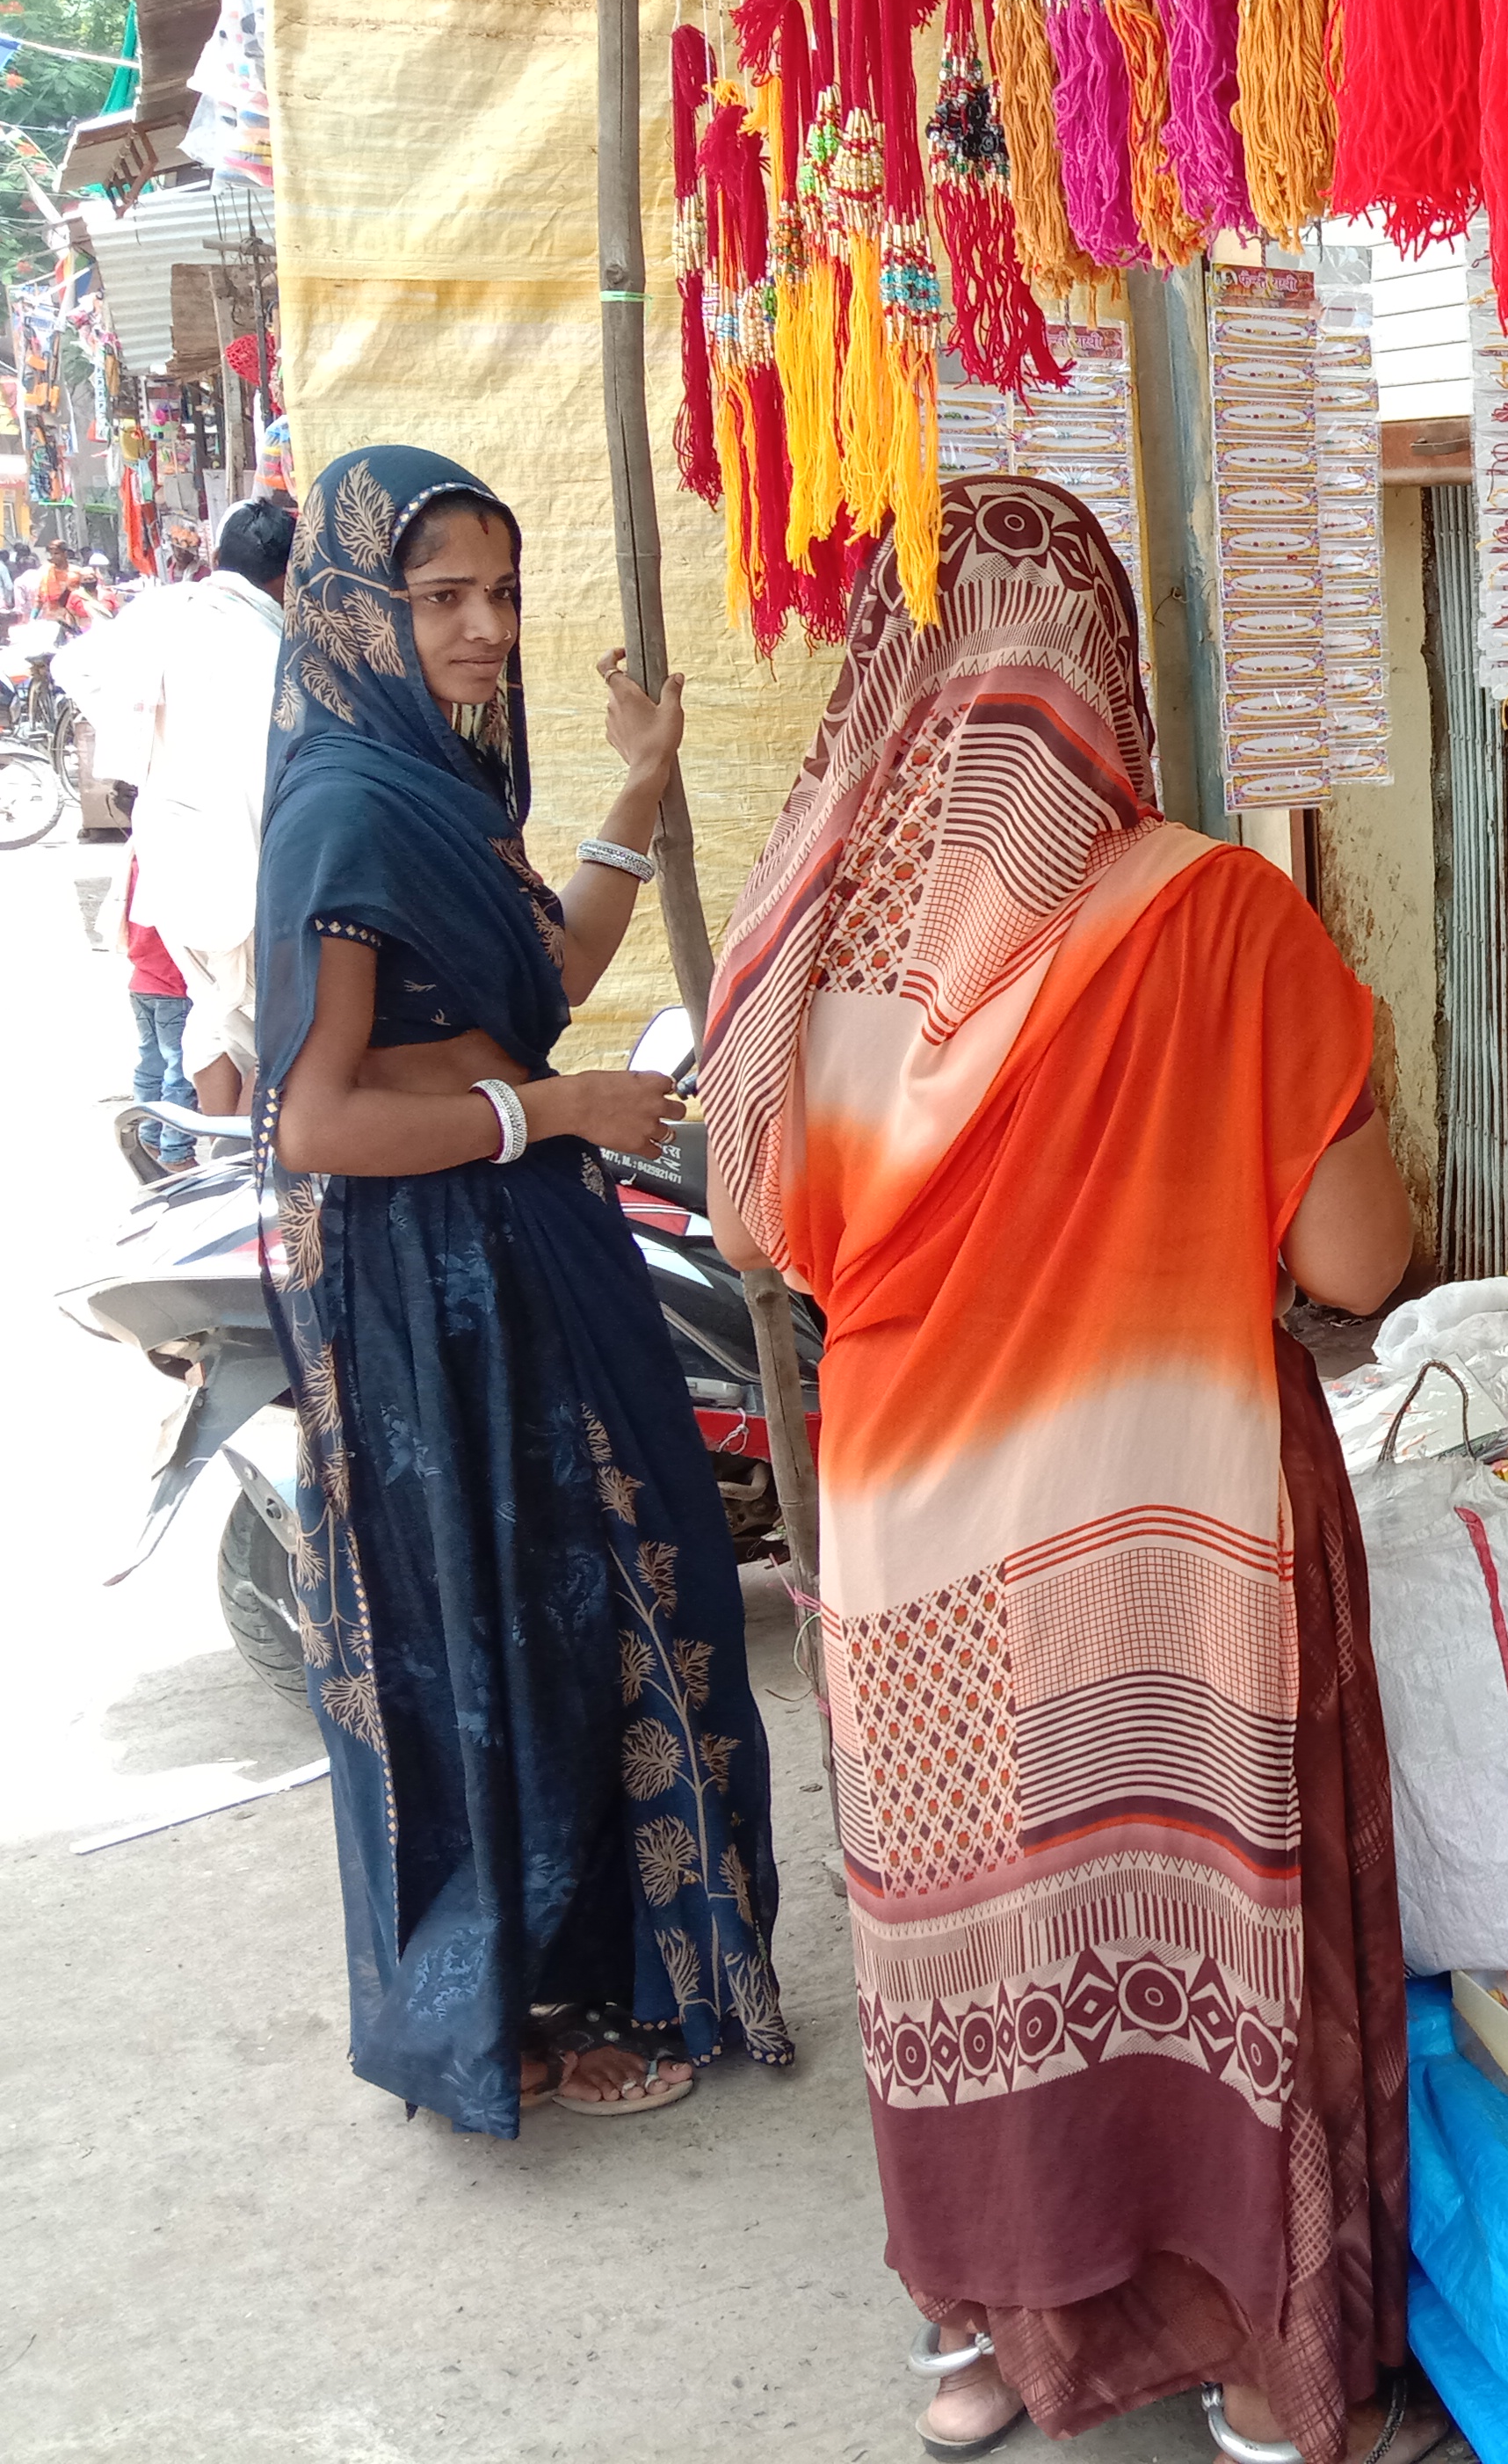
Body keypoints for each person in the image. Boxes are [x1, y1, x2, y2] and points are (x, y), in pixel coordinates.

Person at [698, 476, 1438, 2464]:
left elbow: (756, 1223)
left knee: (973, 1937)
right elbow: (1359, 1265)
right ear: (1108, 677)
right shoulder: (1215, 911)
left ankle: (986, 2334)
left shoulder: (813, 957)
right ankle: (1258, 2367)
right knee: (1203, 1917)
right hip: (1167, 1527)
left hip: (915, 1552)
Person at [253, 444, 787, 2133]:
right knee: (489, 1634)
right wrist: (549, 1117)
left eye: (499, 594)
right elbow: (316, 1119)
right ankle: (515, 2021)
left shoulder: (438, 787)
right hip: (436, 1289)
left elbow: (538, 985)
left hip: (524, 1249)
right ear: (354, 614)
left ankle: (611, 1968)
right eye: (440, 599)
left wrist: (638, 786)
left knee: (611, 1607)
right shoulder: (343, 806)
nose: (486, 630)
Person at [62, 491, 288, 1112]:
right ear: (287, 575)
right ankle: (255, 1177)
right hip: (245, 859)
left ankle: (224, 1164)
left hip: (171, 853)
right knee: (270, 1034)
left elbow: (74, 669)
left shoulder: (164, 611)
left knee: (214, 1014)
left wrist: (145, 751)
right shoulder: (274, 649)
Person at [120, 861, 195, 1168]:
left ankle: (148, 1136)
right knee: (180, 1070)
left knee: (151, 1063)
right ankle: (176, 1151)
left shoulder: (137, 860)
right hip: (173, 986)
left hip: (143, 982)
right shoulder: (172, 864)